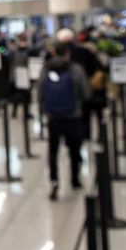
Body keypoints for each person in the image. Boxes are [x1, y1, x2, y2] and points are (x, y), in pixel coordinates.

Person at [39, 42, 91, 200]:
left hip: (53, 117)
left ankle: (54, 182)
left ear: (54, 52)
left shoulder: (46, 69)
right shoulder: (76, 69)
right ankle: (74, 179)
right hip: (73, 116)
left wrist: (45, 110)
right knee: (74, 149)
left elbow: (40, 92)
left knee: (53, 151)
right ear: (68, 53)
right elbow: (86, 93)